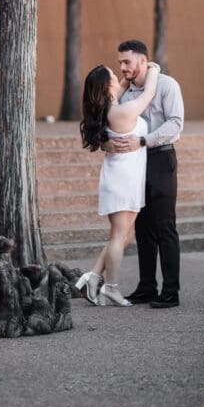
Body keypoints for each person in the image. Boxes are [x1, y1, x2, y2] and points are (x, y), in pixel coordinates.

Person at [76, 60, 161, 307]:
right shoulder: (121, 112)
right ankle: (110, 288)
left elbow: (121, 87)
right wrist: (152, 68)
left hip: (124, 177)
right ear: (108, 85)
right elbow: (149, 93)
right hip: (123, 180)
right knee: (118, 237)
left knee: (126, 236)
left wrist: (128, 74)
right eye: (114, 75)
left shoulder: (107, 109)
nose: (119, 77)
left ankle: (92, 277)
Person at [110, 39, 184, 309]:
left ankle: (171, 292)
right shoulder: (127, 93)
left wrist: (143, 141)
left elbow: (175, 125)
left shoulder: (167, 85)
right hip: (135, 162)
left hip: (161, 158)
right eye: (120, 62)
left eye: (126, 62)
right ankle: (147, 287)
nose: (123, 67)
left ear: (143, 61)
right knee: (142, 227)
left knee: (164, 226)